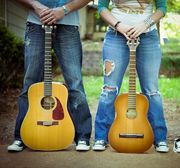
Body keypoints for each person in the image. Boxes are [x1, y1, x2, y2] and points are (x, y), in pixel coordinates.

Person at [7, 0, 92, 152]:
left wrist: (65, 9)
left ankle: (82, 137)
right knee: (30, 83)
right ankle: (21, 136)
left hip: (68, 24)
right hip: (36, 22)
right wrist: (36, 5)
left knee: (75, 83)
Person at [92, 0, 169, 153]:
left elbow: (162, 8)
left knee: (152, 90)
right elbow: (101, 7)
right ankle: (101, 137)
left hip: (148, 36)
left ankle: (159, 138)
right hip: (115, 36)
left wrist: (144, 24)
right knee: (109, 88)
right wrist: (119, 25)